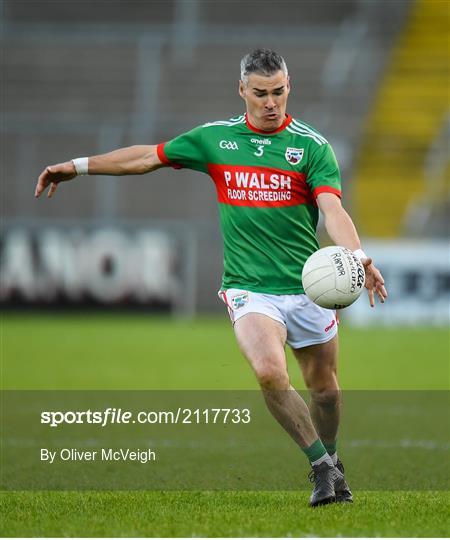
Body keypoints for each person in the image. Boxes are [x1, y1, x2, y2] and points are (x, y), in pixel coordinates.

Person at [35, 48, 387, 506]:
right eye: (260, 93)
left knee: (326, 392)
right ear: (242, 89)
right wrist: (78, 166)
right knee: (268, 373)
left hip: (308, 289)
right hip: (248, 288)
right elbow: (147, 157)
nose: (270, 102)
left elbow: (332, 210)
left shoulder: (312, 147)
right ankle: (320, 466)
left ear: (288, 87)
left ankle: (333, 457)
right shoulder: (215, 140)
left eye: (278, 92)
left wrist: (358, 257)